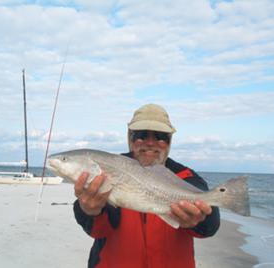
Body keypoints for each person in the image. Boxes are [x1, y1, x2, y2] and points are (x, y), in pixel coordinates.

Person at [73, 104, 220, 268]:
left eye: (160, 136)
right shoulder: (108, 171)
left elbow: (210, 227)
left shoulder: (187, 177)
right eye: (141, 135)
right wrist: (88, 210)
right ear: (130, 138)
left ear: (170, 141)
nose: (150, 142)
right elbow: (98, 231)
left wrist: (199, 220)